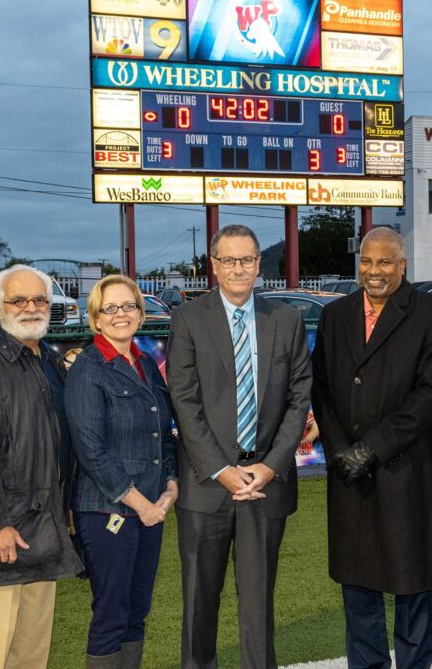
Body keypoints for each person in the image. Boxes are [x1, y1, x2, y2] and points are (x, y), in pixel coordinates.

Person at [166, 224, 311, 669]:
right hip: (208, 487)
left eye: (246, 259)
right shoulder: (188, 319)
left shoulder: (285, 319)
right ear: (213, 265)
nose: (238, 268)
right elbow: (184, 401)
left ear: (258, 264)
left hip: (265, 485)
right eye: (228, 260)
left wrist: (267, 467)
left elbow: (299, 398)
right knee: (199, 602)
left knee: (258, 604)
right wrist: (222, 470)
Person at [311, 227, 432, 669]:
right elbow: (322, 389)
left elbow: (429, 396)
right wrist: (340, 451)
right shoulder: (335, 315)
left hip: (403, 471)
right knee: (358, 586)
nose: (375, 271)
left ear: (402, 265)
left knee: (413, 585)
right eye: (367, 262)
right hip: (349, 475)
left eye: (385, 262)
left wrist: (370, 449)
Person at [0, 264, 82, 668]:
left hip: (45, 529)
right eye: (19, 299)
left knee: (31, 653)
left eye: (40, 299)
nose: (31, 307)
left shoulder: (50, 363)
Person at [65, 274, 179, 668]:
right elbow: (90, 451)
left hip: (151, 510)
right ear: (95, 319)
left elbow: (164, 431)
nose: (120, 314)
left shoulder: (146, 364)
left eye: (128, 306)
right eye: (110, 308)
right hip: (107, 511)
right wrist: (141, 505)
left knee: (136, 612)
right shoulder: (88, 368)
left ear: (141, 313)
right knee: (112, 614)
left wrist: (171, 483)